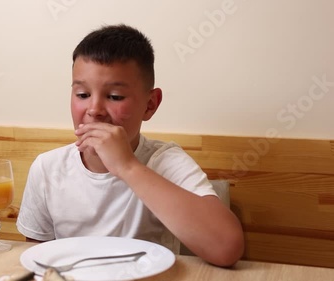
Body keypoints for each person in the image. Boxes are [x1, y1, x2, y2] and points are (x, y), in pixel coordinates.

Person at [16, 24, 244, 267]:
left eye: (115, 97)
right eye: (82, 95)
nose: (94, 110)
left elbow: (226, 248)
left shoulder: (165, 161)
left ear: (150, 105)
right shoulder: (48, 168)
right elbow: (36, 258)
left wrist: (127, 166)